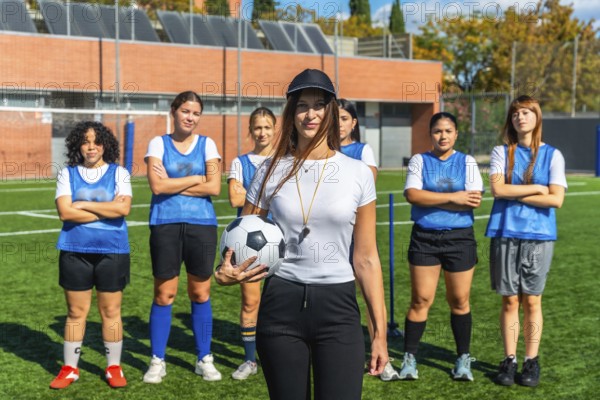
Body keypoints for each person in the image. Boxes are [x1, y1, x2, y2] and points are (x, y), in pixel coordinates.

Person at [215, 68, 388, 400]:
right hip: (281, 305)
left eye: (320, 105)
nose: (311, 114)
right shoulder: (268, 170)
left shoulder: (357, 174)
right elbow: (242, 237)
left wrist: (379, 334)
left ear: (333, 111)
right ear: (291, 113)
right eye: (302, 106)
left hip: (339, 309)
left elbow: (366, 258)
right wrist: (226, 272)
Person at [486, 95, 566, 387]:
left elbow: (556, 199)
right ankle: (509, 359)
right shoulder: (500, 152)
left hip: (538, 236)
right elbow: (497, 190)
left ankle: (531, 361)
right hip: (505, 231)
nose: (521, 117)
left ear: (537, 118)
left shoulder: (552, 155)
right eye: (516, 113)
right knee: (509, 300)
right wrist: (536, 188)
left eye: (527, 112)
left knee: (532, 300)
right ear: (511, 120)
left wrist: (514, 190)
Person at [143, 91, 222, 383]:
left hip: (202, 225)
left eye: (196, 113)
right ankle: (157, 360)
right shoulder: (158, 143)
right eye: (185, 111)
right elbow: (156, 187)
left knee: (200, 293)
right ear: (174, 112)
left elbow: (215, 188)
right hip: (165, 223)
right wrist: (196, 178)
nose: (190, 117)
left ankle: (204, 357)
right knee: (165, 294)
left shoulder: (208, 144)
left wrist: (172, 182)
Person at [400, 112, 484, 381]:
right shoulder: (419, 160)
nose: (443, 136)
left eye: (448, 131)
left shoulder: (467, 162)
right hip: (425, 238)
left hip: (460, 239)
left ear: (456, 134)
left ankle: (462, 359)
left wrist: (432, 198)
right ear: (431, 134)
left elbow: (473, 200)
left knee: (459, 300)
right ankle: (410, 358)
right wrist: (453, 197)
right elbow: (412, 195)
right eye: (437, 131)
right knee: (421, 299)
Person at [51, 121, 132, 389]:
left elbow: (124, 210)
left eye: (97, 141)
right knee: (76, 312)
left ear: (105, 145)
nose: (91, 147)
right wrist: (105, 208)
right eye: (85, 141)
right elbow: (65, 212)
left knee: (111, 311)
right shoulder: (67, 174)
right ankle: (70, 369)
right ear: (78, 145)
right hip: (75, 251)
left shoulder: (120, 173)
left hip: (113, 252)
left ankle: (113, 366)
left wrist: (84, 204)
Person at [338, 98, 401, 381]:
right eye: (334, 118)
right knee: (339, 297)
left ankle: (381, 352)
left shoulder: (362, 150)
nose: (338, 124)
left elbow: (366, 185)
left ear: (354, 123)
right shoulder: (318, 151)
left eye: (343, 118)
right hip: (330, 237)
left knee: (369, 294)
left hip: (356, 234)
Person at [226, 107, 277, 380]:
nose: (262, 133)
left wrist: (250, 193)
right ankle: (249, 359)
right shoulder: (240, 162)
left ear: (275, 129)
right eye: (257, 127)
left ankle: (280, 352)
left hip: (280, 241)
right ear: (250, 130)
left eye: (268, 127)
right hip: (248, 243)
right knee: (250, 301)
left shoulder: (285, 160)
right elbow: (235, 200)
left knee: (282, 300)